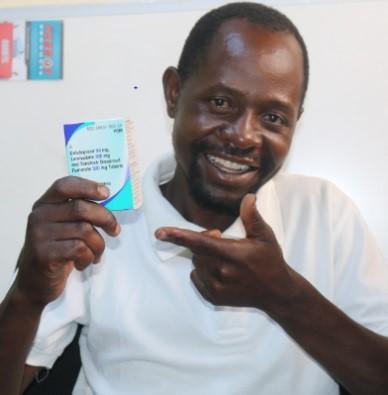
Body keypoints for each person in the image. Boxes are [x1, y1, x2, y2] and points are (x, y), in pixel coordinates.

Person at [1, 2, 388, 394]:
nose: (243, 136)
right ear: (174, 93)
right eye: (220, 103)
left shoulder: (324, 213)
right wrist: (28, 294)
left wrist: (283, 296)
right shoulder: (101, 222)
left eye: (273, 117)